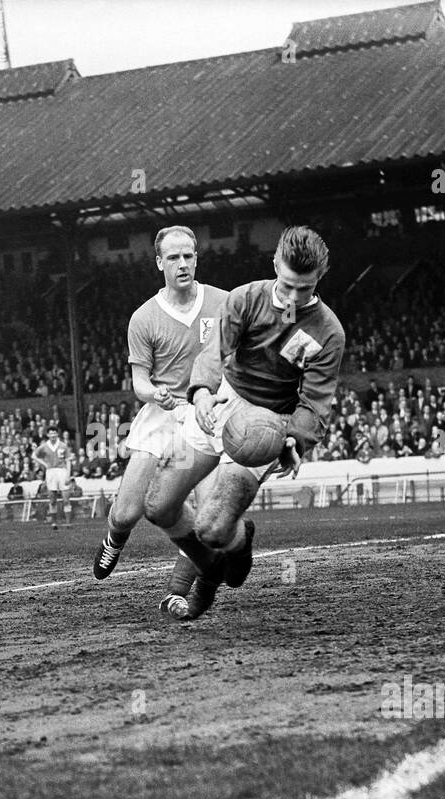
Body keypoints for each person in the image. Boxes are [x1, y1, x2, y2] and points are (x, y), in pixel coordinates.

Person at [142, 226, 345, 620]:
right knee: (158, 506)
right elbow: (213, 352)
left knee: (213, 528)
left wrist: (294, 440)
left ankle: (221, 557)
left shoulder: (329, 332)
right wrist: (200, 391)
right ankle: (216, 564)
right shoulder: (246, 299)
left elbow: (316, 402)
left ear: (319, 279)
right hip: (220, 401)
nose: (292, 297)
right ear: (274, 265)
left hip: (267, 423)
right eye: (286, 285)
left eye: (304, 289)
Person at [89, 225, 224, 617]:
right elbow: (140, 382)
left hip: (205, 414)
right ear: (159, 263)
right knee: (129, 511)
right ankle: (115, 538)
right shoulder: (144, 318)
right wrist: (154, 393)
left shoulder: (223, 302)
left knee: (209, 514)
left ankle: (176, 593)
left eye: (189, 255)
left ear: (196, 257)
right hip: (162, 416)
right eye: (174, 257)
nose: (183, 263)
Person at [32, 427, 71, 526]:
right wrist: (44, 464)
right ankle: (54, 522)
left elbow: (68, 460)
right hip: (51, 472)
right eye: (51, 433)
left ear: (57, 434)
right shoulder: (44, 446)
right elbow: (34, 455)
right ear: (48, 435)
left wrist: (68, 475)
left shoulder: (63, 445)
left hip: (62, 471)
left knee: (66, 498)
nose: (53, 435)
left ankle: (68, 522)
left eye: (54, 433)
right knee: (53, 499)